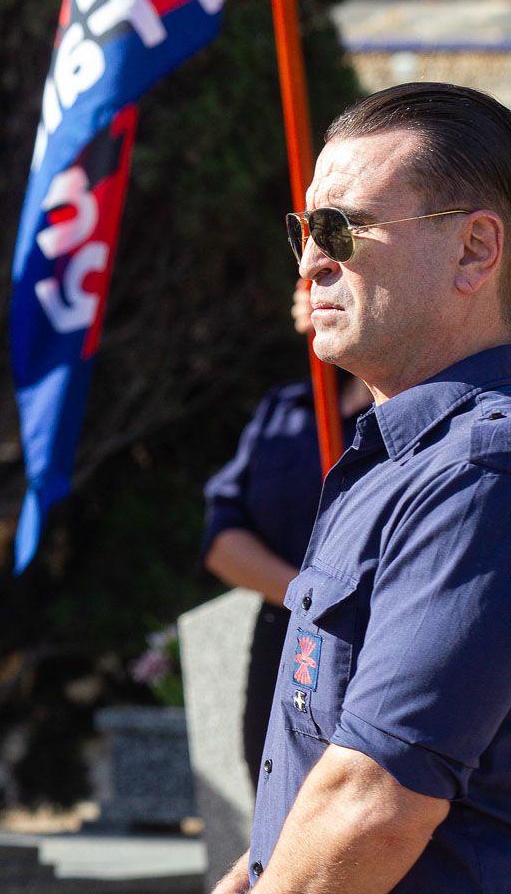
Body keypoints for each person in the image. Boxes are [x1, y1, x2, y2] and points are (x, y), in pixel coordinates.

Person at [215, 82, 511, 894]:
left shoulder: (481, 470)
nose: (312, 259)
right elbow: (335, 757)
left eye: (341, 227)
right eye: (304, 229)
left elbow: (378, 802)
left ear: (476, 250)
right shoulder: (398, 455)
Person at [201, 278, 368, 795]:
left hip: (371, 637)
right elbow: (222, 538)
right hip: (287, 632)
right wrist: (307, 596)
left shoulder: (420, 416)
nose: (317, 284)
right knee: (277, 794)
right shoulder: (285, 410)